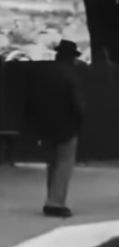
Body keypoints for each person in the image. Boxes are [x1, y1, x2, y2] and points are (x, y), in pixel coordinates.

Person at [23, 39, 84, 217]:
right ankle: (56, 202)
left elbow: (31, 99)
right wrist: (80, 120)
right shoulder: (70, 75)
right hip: (67, 124)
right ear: (72, 57)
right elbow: (78, 103)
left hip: (45, 124)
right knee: (64, 163)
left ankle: (51, 198)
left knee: (53, 163)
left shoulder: (44, 72)